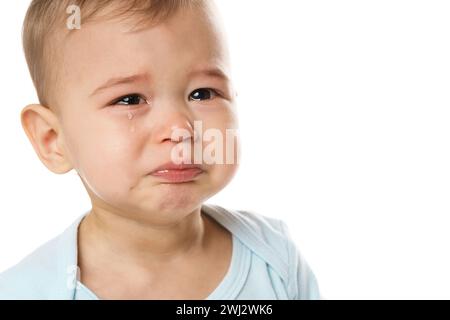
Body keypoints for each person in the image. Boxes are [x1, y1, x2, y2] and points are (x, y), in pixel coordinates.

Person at [0, 0, 320, 299]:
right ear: (53, 139)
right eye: (130, 99)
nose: (180, 129)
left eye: (203, 93)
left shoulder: (277, 263)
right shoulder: (26, 290)